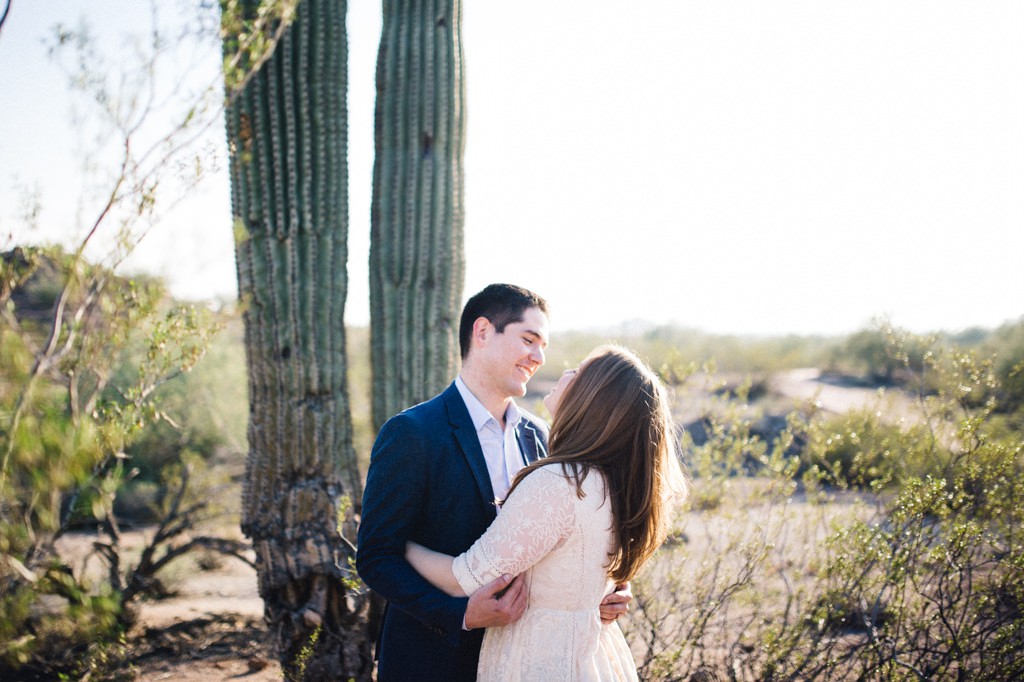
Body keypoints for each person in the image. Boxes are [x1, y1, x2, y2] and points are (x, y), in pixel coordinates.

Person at [356, 284, 630, 681]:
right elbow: (376, 555)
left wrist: (599, 592)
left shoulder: (542, 437)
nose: (538, 357)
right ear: (483, 332)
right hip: (433, 659)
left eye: (544, 346)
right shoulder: (412, 433)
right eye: (528, 339)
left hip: (519, 660)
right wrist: (459, 615)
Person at [404, 345, 688, 681]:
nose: (563, 373)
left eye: (577, 372)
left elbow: (466, 580)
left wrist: (400, 544)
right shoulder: (617, 481)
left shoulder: (558, 482)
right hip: (594, 658)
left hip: (542, 660)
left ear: (592, 398)